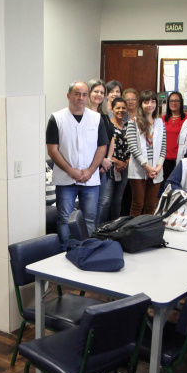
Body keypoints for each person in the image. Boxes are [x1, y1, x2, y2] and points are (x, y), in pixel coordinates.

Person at [46, 81, 108, 249]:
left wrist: (90, 170)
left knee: (90, 218)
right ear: (69, 96)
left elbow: (102, 147)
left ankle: (88, 249)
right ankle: (65, 250)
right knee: (64, 218)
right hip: (65, 180)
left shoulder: (96, 119)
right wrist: (70, 170)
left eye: (84, 94)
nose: (81, 98)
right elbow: (52, 150)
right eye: (77, 94)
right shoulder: (57, 118)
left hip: (91, 179)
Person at [126, 89, 165, 216]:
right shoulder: (133, 123)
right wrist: (146, 166)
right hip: (139, 169)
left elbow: (163, 146)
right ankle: (132, 232)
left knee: (150, 205)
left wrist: (158, 167)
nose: (150, 105)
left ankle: (146, 231)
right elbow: (133, 147)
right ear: (141, 104)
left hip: (156, 170)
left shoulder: (160, 123)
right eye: (146, 102)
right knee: (138, 204)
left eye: (153, 101)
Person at [88, 79, 114, 226]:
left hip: (104, 167)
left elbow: (111, 138)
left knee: (100, 204)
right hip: (90, 167)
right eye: (96, 91)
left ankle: (96, 234)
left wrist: (108, 159)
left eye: (102, 92)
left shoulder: (104, 115)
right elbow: (87, 143)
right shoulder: (84, 114)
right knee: (90, 209)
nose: (99, 95)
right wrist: (101, 160)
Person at [99, 97, 129, 222]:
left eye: (123, 108)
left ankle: (115, 227)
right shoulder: (108, 125)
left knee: (118, 200)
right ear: (112, 108)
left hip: (124, 168)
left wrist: (125, 162)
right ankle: (101, 227)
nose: (121, 110)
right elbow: (104, 147)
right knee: (106, 201)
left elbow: (131, 147)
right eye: (118, 108)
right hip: (110, 167)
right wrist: (116, 161)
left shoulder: (129, 126)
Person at [162, 91, 187, 183]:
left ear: (181, 103)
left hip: (181, 158)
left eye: (176, 101)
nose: (174, 103)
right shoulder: (163, 119)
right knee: (165, 185)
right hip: (165, 159)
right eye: (171, 101)